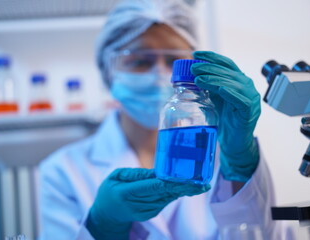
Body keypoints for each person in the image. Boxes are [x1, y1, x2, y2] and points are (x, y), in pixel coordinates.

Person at [39, 0, 285, 239]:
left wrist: (240, 166)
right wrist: (102, 227)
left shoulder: (225, 157)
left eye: (173, 61)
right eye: (140, 61)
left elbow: (261, 235)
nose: (160, 74)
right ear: (108, 71)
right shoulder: (63, 171)